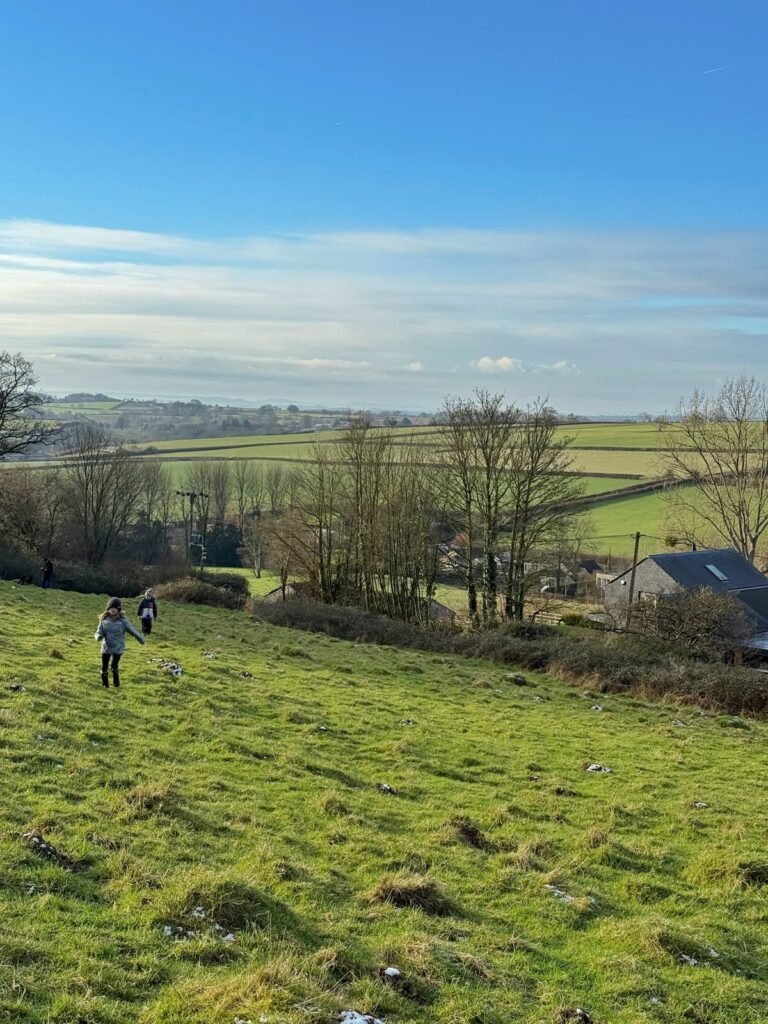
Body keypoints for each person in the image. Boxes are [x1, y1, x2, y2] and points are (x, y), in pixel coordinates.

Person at [95, 597, 144, 688]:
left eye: (115, 608)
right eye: (111, 608)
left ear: (118, 609)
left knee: (114, 665)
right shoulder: (104, 620)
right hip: (106, 647)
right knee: (104, 666)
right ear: (108, 609)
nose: (113, 610)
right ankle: (105, 684)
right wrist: (98, 636)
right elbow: (99, 631)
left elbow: (133, 630)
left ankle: (116, 682)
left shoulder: (123, 622)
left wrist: (140, 638)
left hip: (118, 647)